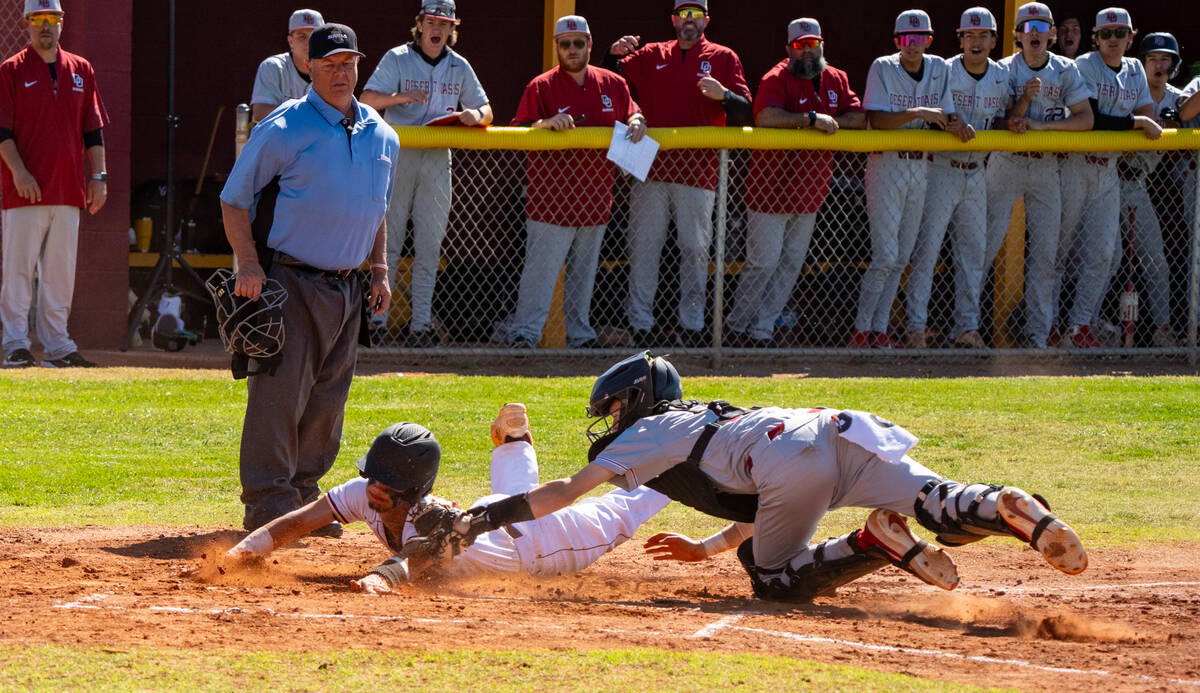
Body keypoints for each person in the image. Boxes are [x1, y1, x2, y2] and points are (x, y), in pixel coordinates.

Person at [452, 352, 1087, 603]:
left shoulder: (651, 430)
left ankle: (874, 543)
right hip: (836, 427)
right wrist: (705, 548)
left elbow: (562, 493)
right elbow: (771, 498)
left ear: (639, 399)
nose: (611, 422)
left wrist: (482, 518)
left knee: (774, 576)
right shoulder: (708, 416)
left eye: (615, 409)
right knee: (940, 503)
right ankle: (1004, 505)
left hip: (791, 461)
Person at [219, 23, 399, 535]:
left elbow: (377, 208)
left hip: (349, 285)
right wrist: (249, 264)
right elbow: (234, 198)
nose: (340, 73)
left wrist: (380, 268)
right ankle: (266, 501)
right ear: (310, 68)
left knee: (327, 398)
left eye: (348, 64)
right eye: (329, 65)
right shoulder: (284, 126)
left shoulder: (382, 133)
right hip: (290, 279)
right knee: (279, 394)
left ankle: (303, 499)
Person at [224, 411, 671, 593]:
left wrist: (379, 581)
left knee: (623, 509)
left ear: (413, 489)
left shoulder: (433, 522)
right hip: (498, 514)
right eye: (373, 477)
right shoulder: (366, 494)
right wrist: (236, 556)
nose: (374, 488)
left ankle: (682, 466)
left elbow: (411, 561)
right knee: (507, 497)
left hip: (545, 543)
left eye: (387, 483)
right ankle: (514, 442)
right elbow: (297, 522)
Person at [602, 0, 751, 348]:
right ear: (672, 19)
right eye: (683, 14)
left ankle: (693, 326)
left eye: (696, 15)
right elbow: (609, 83)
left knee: (695, 249)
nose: (688, 20)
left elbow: (746, 111)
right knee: (643, 247)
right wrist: (612, 53)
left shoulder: (723, 57)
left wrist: (724, 95)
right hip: (649, 165)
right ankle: (640, 324)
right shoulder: (653, 52)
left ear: (706, 20)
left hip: (699, 169)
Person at [497, 15, 646, 350]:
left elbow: (632, 113)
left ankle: (580, 336)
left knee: (584, 278)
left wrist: (637, 120)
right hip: (549, 202)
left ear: (590, 45)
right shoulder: (541, 86)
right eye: (566, 44)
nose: (573, 49)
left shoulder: (612, 83)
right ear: (557, 48)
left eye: (579, 43)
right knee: (540, 275)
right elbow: (517, 131)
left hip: (595, 200)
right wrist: (545, 123)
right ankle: (525, 334)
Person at [359, 0, 491, 348]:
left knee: (430, 246)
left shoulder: (459, 65)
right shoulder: (398, 57)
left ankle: (420, 326)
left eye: (444, 24)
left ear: (452, 29)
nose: (437, 29)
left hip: (436, 158)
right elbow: (367, 98)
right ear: (419, 24)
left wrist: (475, 115)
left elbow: (486, 108)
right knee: (389, 242)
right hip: (399, 155)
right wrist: (401, 97)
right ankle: (377, 322)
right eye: (431, 22)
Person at [726, 18, 864, 348]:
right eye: (801, 45)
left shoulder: (836, 78)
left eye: (813, 44)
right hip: (769, 190)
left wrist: (832, 123)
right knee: (764, 262)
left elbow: (859, 117)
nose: (808, 51)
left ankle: (762, 329)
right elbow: (766, 116)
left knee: (790, 265)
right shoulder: (777, 77)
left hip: (809, 191)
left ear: (821, 46)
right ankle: (735, 326)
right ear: (789, 49)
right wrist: (812, 120)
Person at [0, 0, 108, 369]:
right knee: (18, 269)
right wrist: (19, 172)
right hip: (24, 192)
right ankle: (16, 344)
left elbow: (93, 130)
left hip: (68, 190)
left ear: (63, 23)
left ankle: (58, 346)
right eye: (38, 19)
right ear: (27, 23)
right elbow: (2, 131)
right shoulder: (10, 70)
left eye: (52, 19)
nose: (45, 26)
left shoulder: (82, 69)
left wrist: (100, 177)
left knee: (60, 273)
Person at [850, 10, 967, 350]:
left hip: (921, 165)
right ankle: (861, 330)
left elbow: (944, 115)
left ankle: (879, 329)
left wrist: (956, 122)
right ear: (896, 41)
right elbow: (879, 120)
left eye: (919, 39)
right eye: (905, 39)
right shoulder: (883, 66)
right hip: (887, 163)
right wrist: (918, 112)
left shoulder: (940, 67)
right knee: (886, 255)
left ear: (929, 40)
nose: (912, 45)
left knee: (901, 257)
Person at [984, 2, 1092, 350]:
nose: (1034, 33)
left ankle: (1038, 338)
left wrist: (1042, 127)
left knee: (1046, 254)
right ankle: (965, 328)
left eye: (1041, 26)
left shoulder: (1065, 69)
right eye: (1027, 27)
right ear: (1017, 34)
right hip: (1007, 161)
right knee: (984, 246)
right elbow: (996, 120)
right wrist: (1021, 105)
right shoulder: (1001, 68)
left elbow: (1085, 119)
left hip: (1046, 164)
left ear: (1052, 34)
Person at [1057, 8, 1161, 349]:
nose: (1113, 39)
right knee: (1058, 250)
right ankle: (1044, 324)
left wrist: (1135, 132)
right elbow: (1092, 118)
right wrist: (1135, 127)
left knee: (1107, 254)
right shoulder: (1083, 65)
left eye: (1120, 33)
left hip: (1108, 170)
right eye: (1106, 34)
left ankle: (1079, 325)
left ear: (1131, 36)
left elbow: (1148, 113)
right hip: (1076, 165)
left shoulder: (1134, 69)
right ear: (1095, 38)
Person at [907, 8, 1008, 350]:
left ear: (994, 40)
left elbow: (1007, 116)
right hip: (941, 169)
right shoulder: (943, 69)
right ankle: (916, 328)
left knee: (973, 255)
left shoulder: (1003, 75)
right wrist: (948, 120)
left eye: (982, 36)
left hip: (977, 172)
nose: (975, 42)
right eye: (969, 35)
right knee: (927, 252)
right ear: (960, 38)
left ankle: (966, 327)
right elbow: (925, 108)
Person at [1102, 32, 1187, 348]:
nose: (1159, 65)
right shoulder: (1127, 87)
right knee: (1106, 257)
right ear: (1143, 63)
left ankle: (1162, 327)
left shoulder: (1178, 99)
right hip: (1107, 175)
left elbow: (1187, 119)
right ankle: (1089, 325)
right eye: (1153, 59)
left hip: (1138, 181)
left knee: (1156, 262)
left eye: (1165, 59)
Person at [250, 8, 323, 124]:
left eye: (314, 36)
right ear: (291, 42)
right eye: (302, 36)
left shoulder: (331, 69)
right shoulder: (273, 67)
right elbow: (260, 112)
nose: (308, 42)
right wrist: (306, 115)